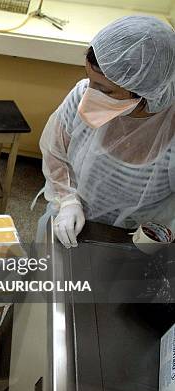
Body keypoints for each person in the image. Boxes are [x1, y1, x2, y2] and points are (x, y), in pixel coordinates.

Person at [38, 16, 174, 248]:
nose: (90, 95)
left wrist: (159, 235)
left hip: (137, 241)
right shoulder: (81, 95)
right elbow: (55, 151)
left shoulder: (169, 132)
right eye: (90, 80)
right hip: (72, 223)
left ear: (147, 90)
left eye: (105, 90)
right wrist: (68, 200)